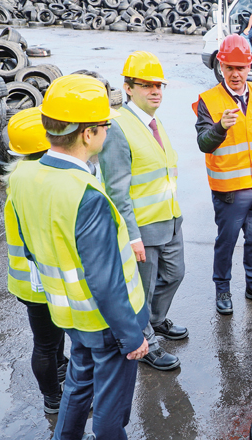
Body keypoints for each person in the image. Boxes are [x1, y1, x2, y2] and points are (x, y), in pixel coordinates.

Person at [8, 74, 155, 440]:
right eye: (105, 124)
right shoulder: (86, 194)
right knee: (112, 407)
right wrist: (131, 335)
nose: (108, 130)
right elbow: (106, 279)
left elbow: (27, 245)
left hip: (67, 312)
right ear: (88, 134)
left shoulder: (25, 178)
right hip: (106, 320)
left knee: (78, 381)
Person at [99, 51, 186, 372]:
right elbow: (116, 189)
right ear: (128, 87)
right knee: (142, 292)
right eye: (147, 85)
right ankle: (147, 340)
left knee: (176, 275)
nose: (155, 91)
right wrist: (132, 235)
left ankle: (157, 320)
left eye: (159, 86)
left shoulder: (153, 120)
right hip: (144, 229)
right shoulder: (119, 128)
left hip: (171, 219)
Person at [193, 34, 252, 315]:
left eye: (241, 68)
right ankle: (222, 289)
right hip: (229, 191)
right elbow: (203, 143)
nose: (235, 74)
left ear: (250, 67)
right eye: (229, 67)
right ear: (220, 66)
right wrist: (220, 126)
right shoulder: (208, 101)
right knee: (226, 242)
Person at [4, 107, 69, 416]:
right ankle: (53, 399)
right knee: (45, 342)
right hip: (39, 279)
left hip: (25, 278)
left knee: (49, 338)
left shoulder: (19, 175)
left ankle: (59, 367)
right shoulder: (41, 179)